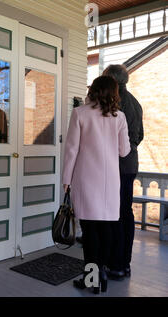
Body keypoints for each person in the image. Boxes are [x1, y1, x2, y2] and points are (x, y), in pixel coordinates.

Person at [62, 76, 131, 294]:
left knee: (90, 233)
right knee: (107, 230)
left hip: (86, 179)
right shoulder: (119, 117)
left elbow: (71, 149)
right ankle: (101, 272)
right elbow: (124, 151)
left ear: (93, 90)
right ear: (114, 93)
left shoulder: (80, 113)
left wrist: (66, 179)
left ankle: (92, 278)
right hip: (110, 182)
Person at [102, 65, 144, 280]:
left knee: (116, 215)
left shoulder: (116, 103)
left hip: (117, 165)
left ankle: (116, 264)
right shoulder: (135, 103)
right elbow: (140, 136)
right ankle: (124, 263)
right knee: (125, 213)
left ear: (111, 80)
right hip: (130, 165)